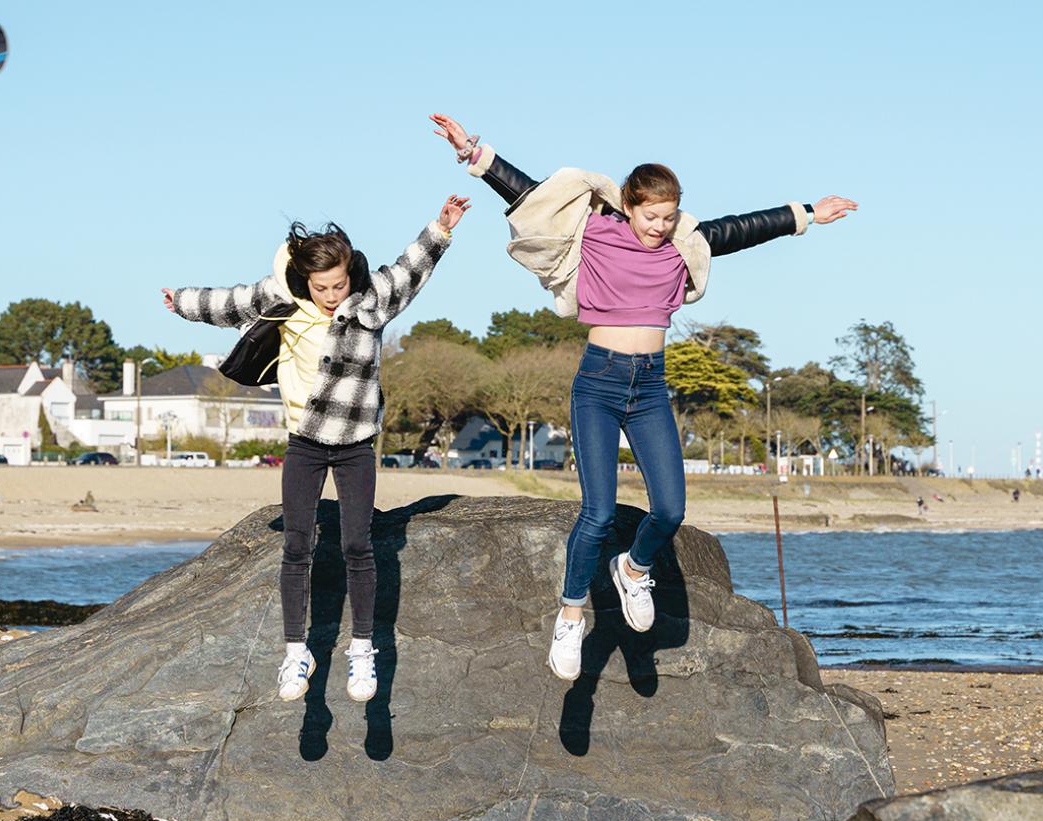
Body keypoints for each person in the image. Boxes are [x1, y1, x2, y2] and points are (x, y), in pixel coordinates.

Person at [431, 113, 857, 680]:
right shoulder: (598, 231)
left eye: (669, 216)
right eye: (651, 216)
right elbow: (530, 192)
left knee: (671, 509)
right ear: (628, 207)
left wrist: (807, 214)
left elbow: (740, 229)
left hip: (650, 386)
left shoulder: (682, 243)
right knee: (599, 511)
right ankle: (571, 612)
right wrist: (475, 152)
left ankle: (633, 569)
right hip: (598, 382)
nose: (660, 226)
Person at [163, 194, 468, 704]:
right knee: (297, 546)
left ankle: (363, 648)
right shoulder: (282, 299)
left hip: (355, 443)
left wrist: (440, 228)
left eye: (339, 285)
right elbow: (230, 302)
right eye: (323, 287)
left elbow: (410, 272)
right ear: (306, 281)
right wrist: (183, 303)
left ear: (351, 275)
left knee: (356, 545)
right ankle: (295, 651)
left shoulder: (371, 300)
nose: (332, 295)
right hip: (304, 443)